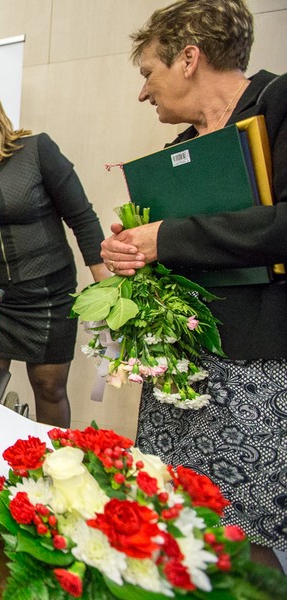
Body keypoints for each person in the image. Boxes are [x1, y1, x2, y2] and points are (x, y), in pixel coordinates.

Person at [99, 0, 286, 566]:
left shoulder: (278, 105)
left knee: (247, 542)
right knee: (170, 523)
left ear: (188, 58)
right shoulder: (177, 151)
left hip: (258, 371)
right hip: (181, 375)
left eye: (146, 73)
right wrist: (131, 250)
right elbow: (177, 245)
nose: (142, 92)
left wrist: (169, 238)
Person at [0, 88, 109, 428]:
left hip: (47, 295)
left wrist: (107, 289)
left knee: (49, 387)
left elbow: (82, 218)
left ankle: (55, 465)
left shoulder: (35, 152)